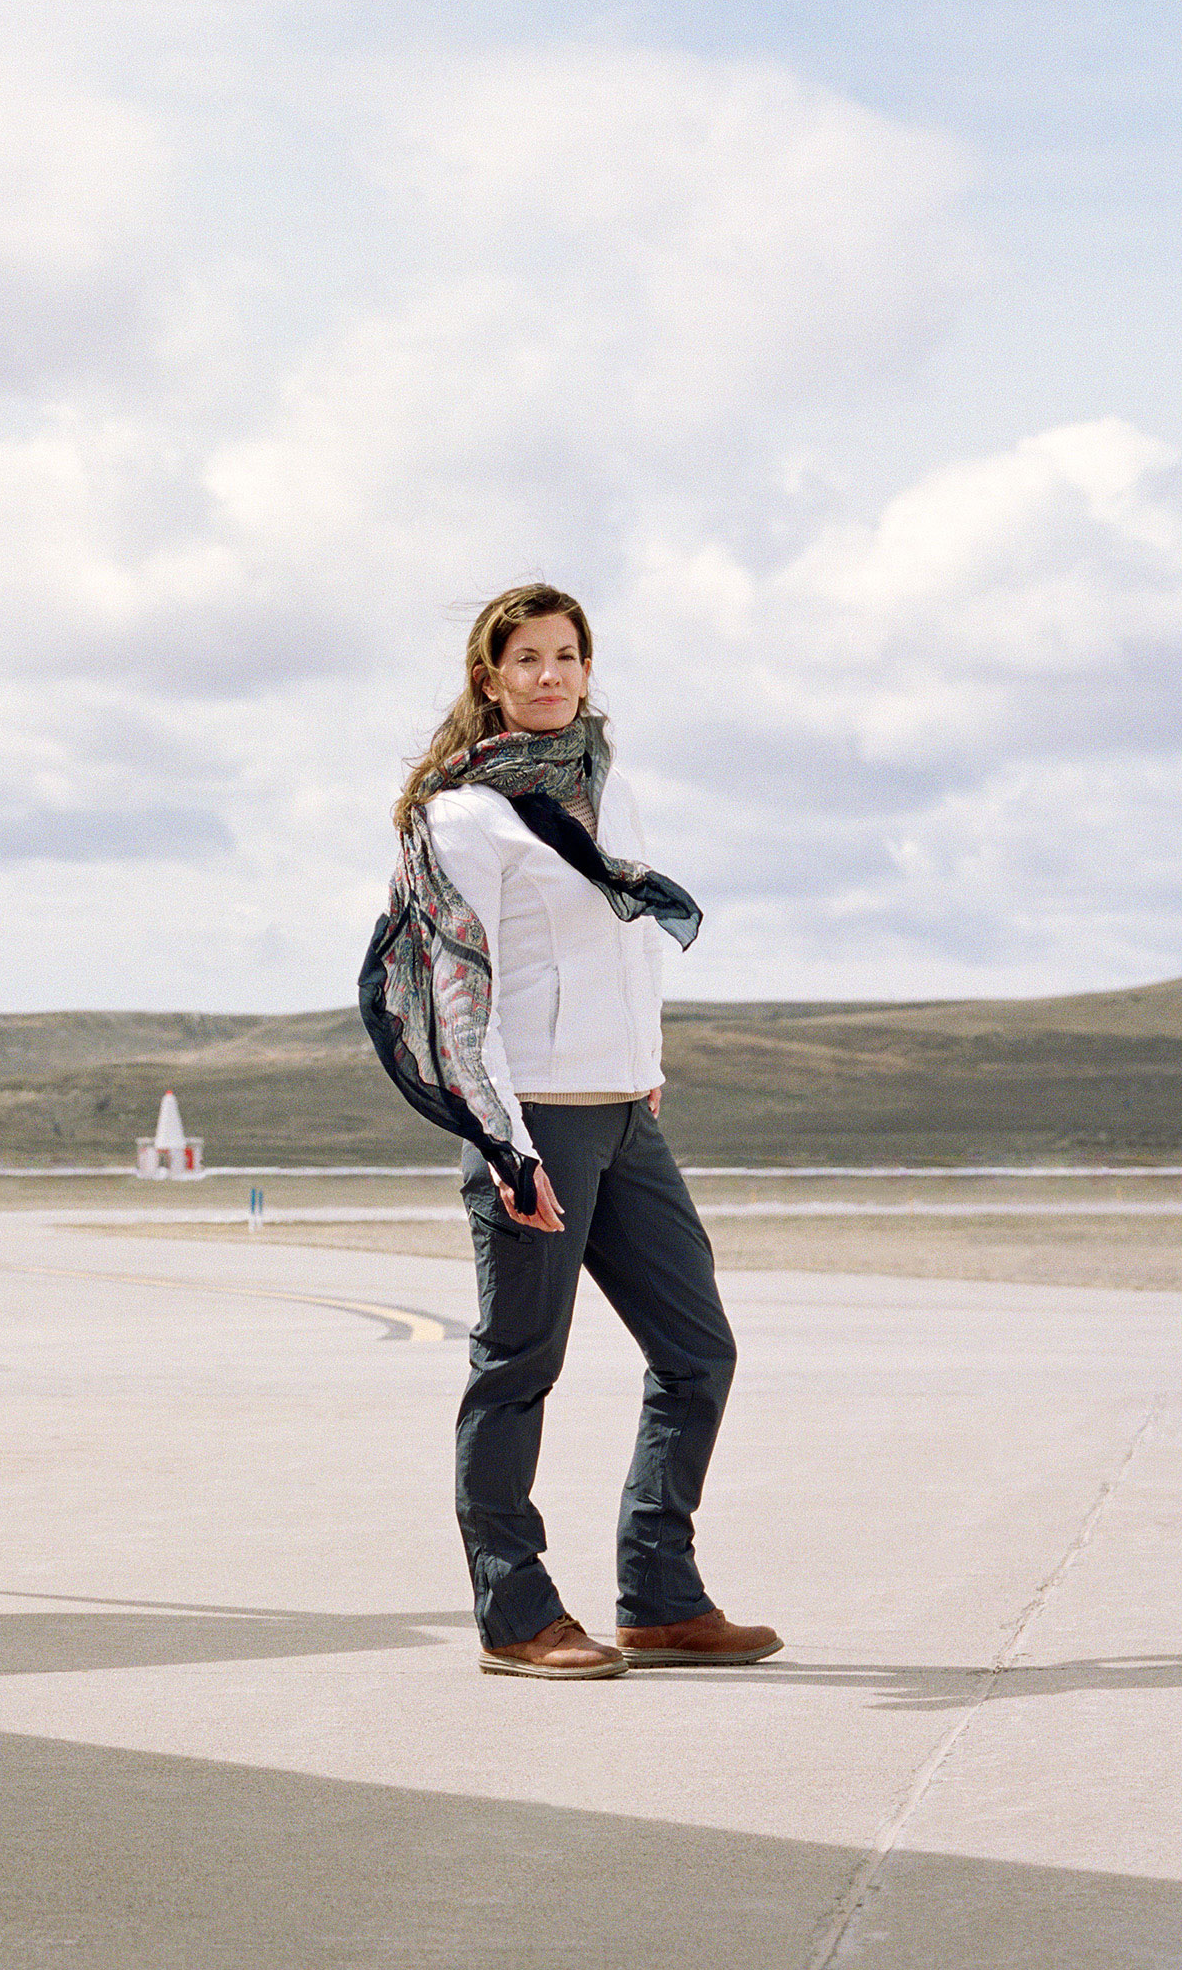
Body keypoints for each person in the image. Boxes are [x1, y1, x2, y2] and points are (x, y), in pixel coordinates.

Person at [358, 584, 781, 1680]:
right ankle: (516, 1614)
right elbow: (462, 992)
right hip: (535, 1123)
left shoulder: (609, 784)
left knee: (699, 1355)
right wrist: (506, 1143)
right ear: (490, 679)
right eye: (527, 659)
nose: (549, 675)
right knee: (517, 1369)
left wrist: (646, 1067)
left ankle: (661, 1596)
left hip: (625, 1117)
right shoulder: (463, 815)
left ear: (589, 670)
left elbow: (627, 944)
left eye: (566, 656)